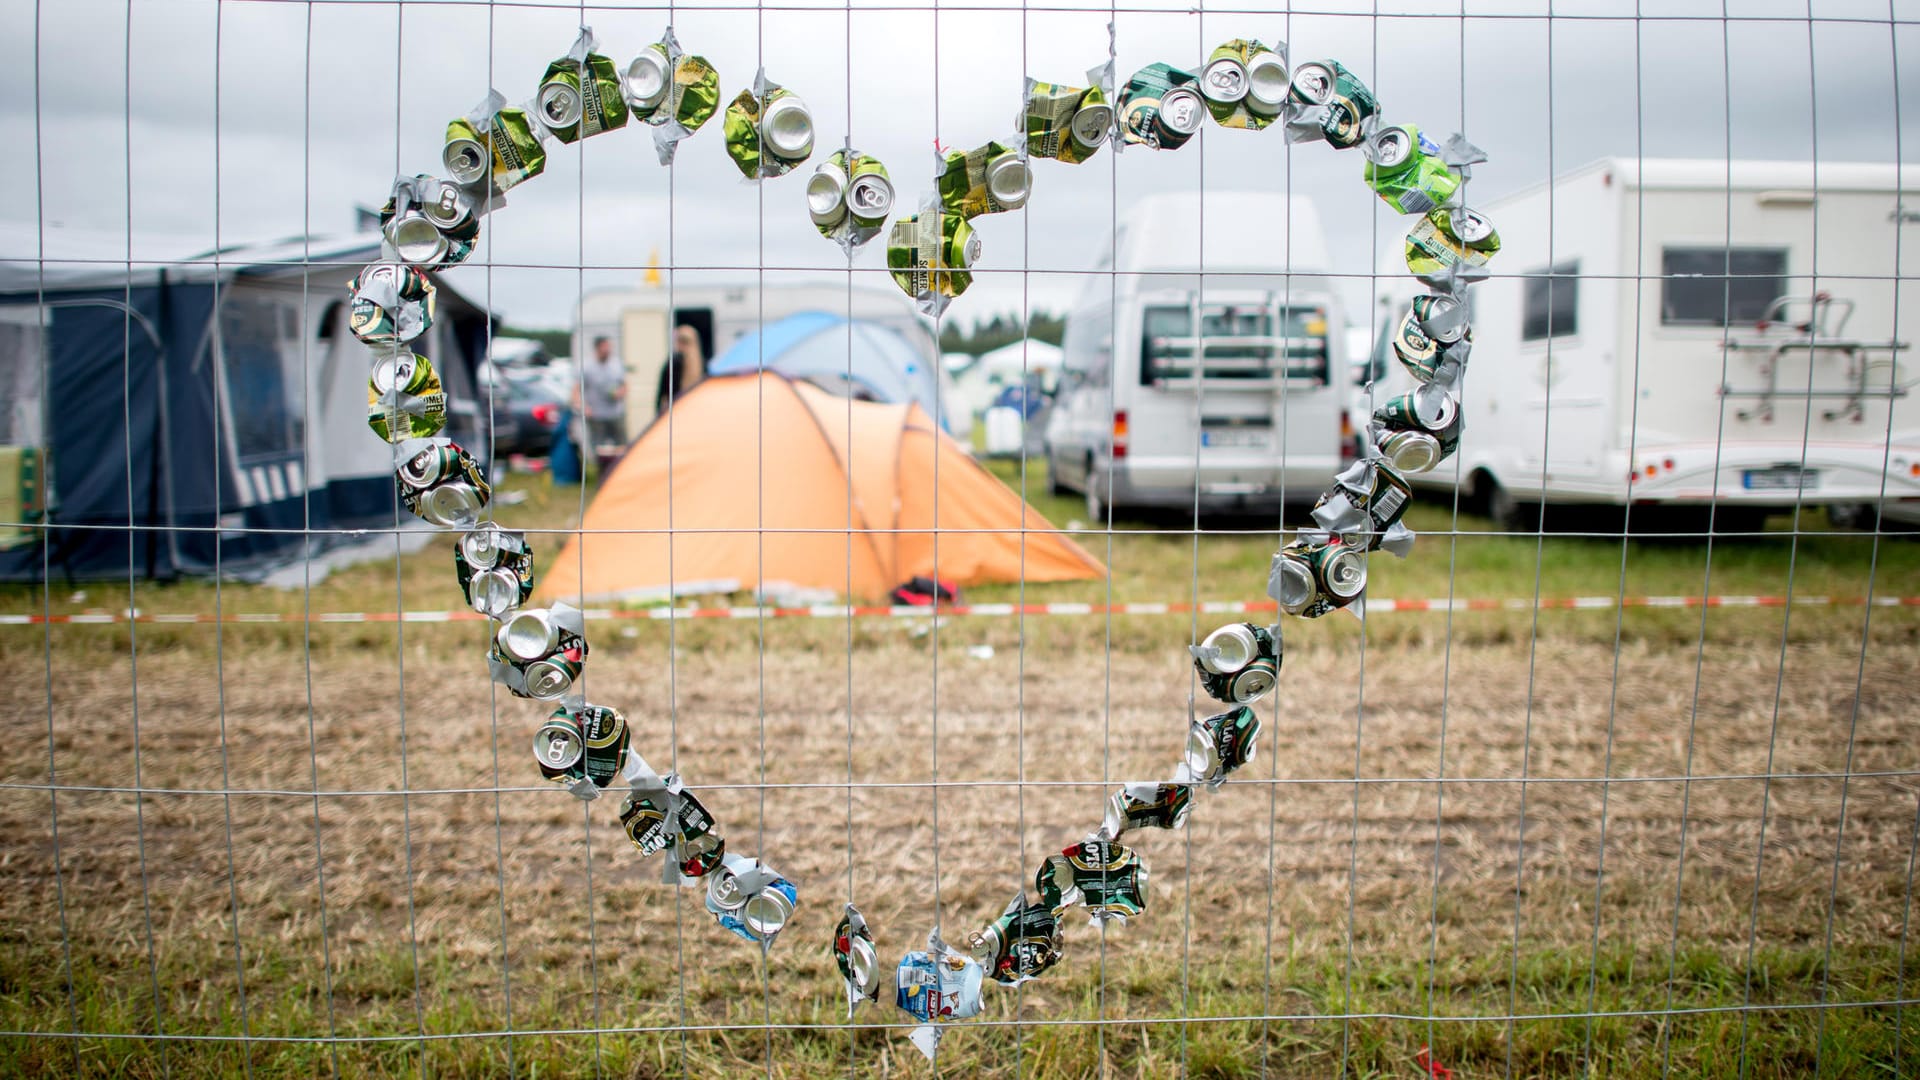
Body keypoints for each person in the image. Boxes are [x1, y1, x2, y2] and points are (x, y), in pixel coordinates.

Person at [580, 336, 627, 467]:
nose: (608, 350)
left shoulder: (617, 364)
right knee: (598, 448)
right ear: (597, 348)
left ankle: (619, 471)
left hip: (616, 414)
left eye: (609, 347)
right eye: (604, 347)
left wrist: (620, 393)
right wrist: (584, 407)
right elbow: (576, 390)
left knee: (621, 446)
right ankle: (602, 473)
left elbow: (625, 385)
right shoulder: (587, 367)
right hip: (596, 415)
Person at [655, 324, 707, 414]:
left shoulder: (673, 363)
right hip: (697, 408)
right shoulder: (703, 363)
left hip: (678, 408)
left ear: (679, 342)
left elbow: (662, 392)